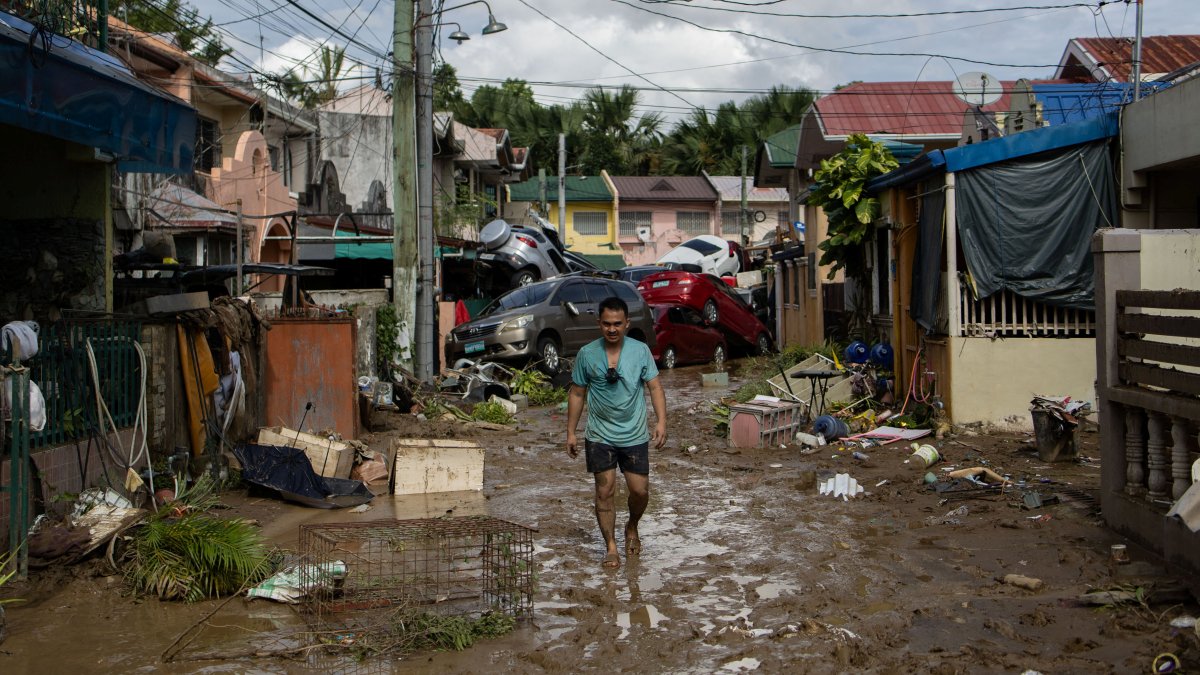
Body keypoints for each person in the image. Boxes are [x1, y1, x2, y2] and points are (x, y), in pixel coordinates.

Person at [566, 296, 667, 570]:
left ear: (627, 324)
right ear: (599, 323)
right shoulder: (587, 354)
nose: (612, 329)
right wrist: (571, 432)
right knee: (605, 491)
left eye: (618, 324)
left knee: (640, 491)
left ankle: (632, 525)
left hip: (634, 434)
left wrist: (661, 422)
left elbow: (655, 387)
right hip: (599, 435)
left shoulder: (640, 351)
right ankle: (611, 547)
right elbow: (577, 392)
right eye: (607, 324)